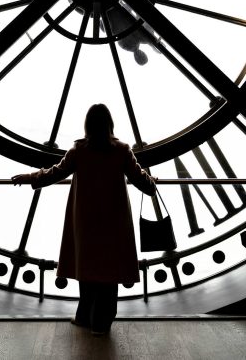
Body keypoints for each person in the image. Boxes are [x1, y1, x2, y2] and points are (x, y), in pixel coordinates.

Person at [11, 103, 156, 335]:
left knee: (86, 270)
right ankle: (101, 323)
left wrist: (31, 177)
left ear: (87, 126)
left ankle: (84, 316)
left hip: (85, 223)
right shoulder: (121, 150)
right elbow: (141, 181)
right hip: (114, 222)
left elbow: (55, 173)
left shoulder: (78, 151)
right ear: (110, 124)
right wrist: (152, 183)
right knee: (110, 275)